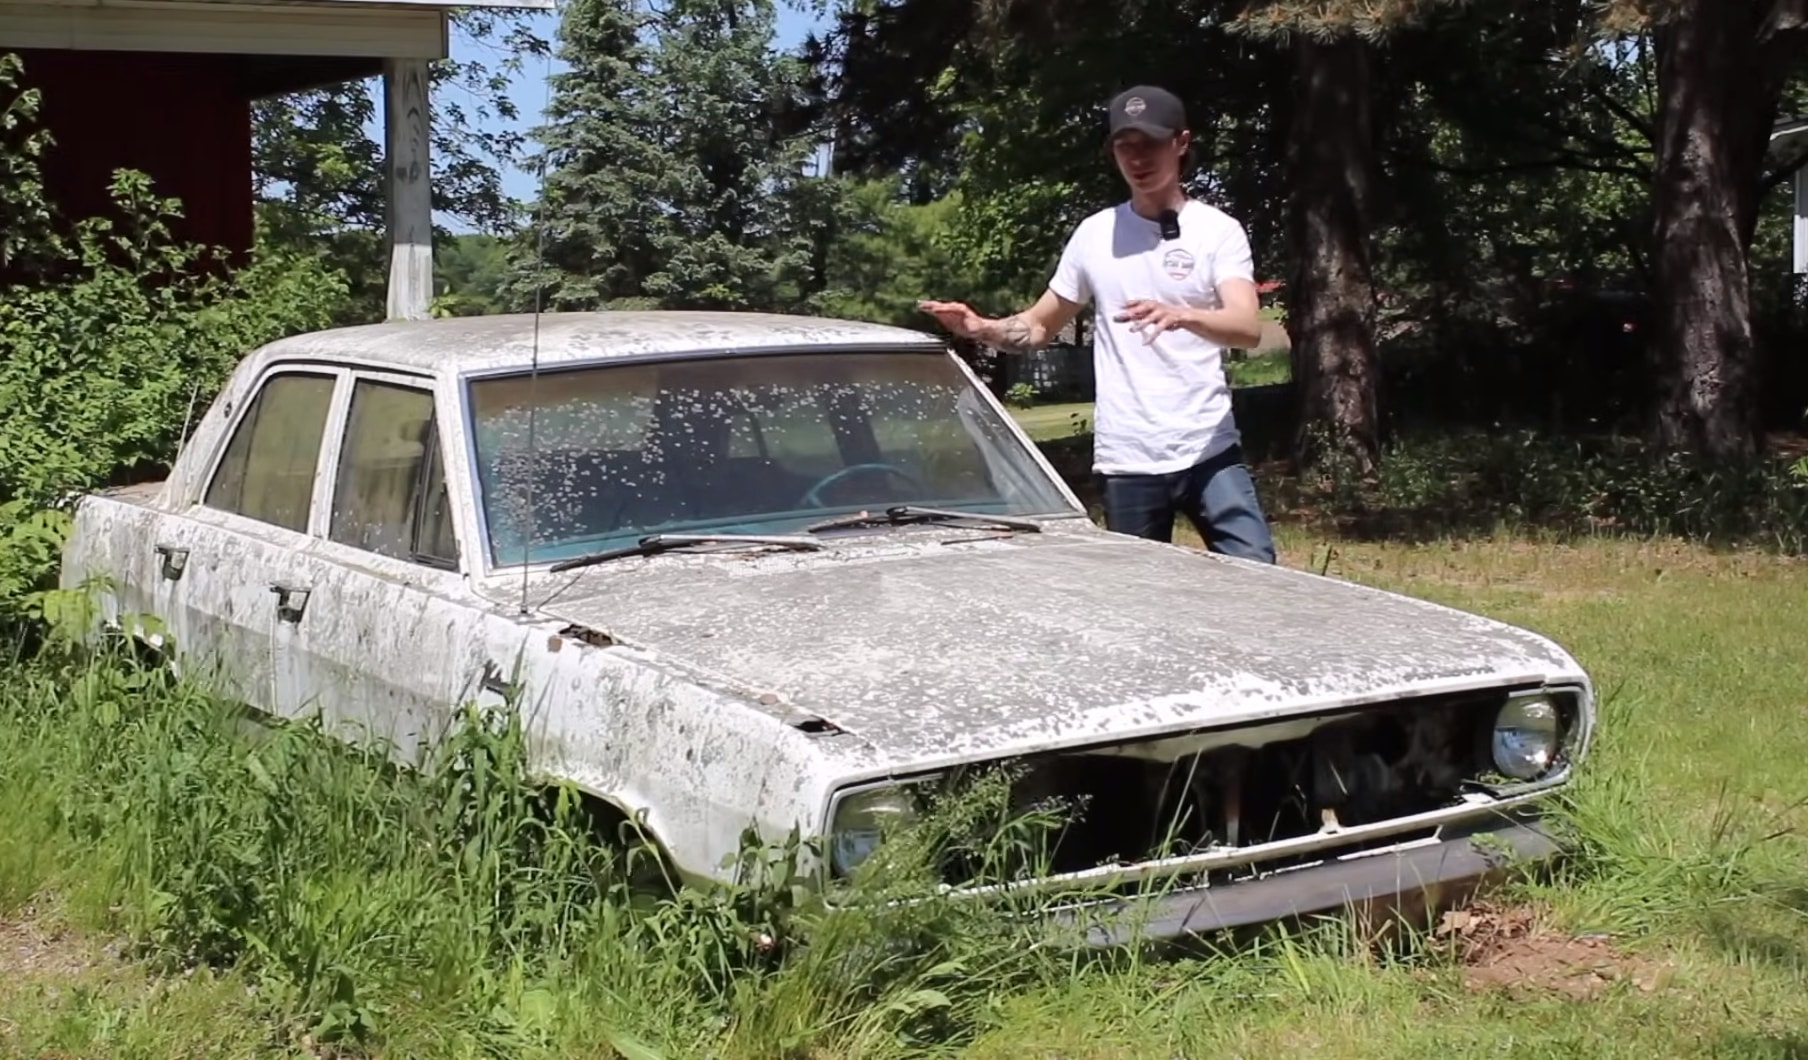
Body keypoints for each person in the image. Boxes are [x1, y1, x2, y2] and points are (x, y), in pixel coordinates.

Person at [919, 84, 1277, 564]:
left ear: (1181, 143)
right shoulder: (1094, 235)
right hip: (1127, 458)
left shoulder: (1217, 230)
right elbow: (1040, 326)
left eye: (1149, 144)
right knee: (1139, 599)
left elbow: (1246, 327)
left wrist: (1184, 313)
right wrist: (980, 327)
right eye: (1124, 146)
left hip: (1208, 451)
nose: (1137, 158)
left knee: (1259, 577)